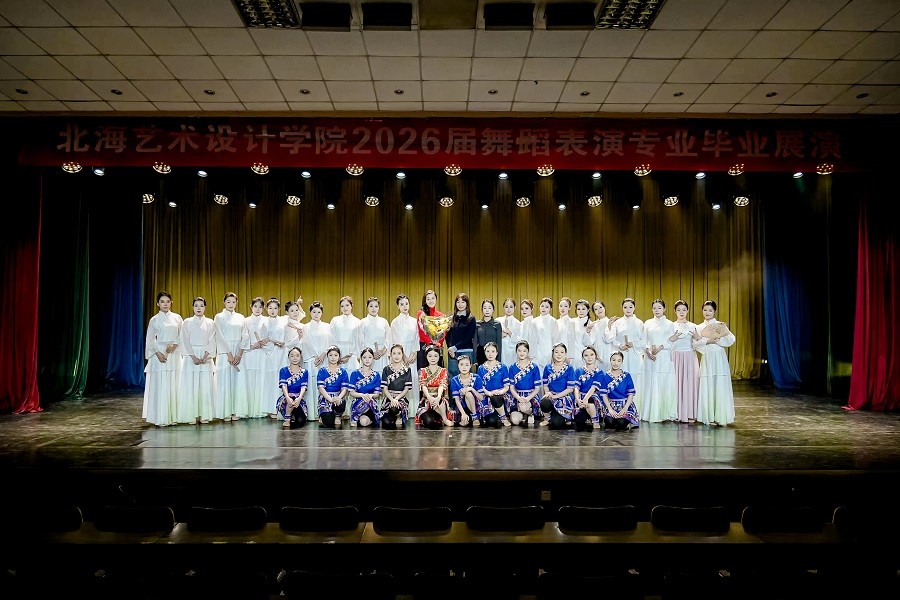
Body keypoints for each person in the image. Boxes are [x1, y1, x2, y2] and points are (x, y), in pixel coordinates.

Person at [143, 291, 183, 427]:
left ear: (171, 303)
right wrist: (158, 353)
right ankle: (161, 417)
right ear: (158, 304)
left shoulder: (177, 318)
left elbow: (182, 335)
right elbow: (150, 339)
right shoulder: (154, 320)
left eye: (167, 301)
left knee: (174, 383)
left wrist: (175, 345)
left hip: (174, 354)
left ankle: (175, 416)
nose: (165, 304)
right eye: (162, 302)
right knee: (161, 384)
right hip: (160, 355)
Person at [693, 300, 736, 426]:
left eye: (710, 310)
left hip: (719, 357)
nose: (707, 312)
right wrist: (707, 341)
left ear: (714, 311)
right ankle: (709, 417)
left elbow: (731, 339)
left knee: (719, 384)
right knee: (708, 384)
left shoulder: (720, 325)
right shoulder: (699, 327)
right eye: (705, 310)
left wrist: (718, 340)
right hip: (707, 357)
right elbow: (695, 344)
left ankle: (721, 417)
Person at [176, 296, 216, 425]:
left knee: (205, 386)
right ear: (193, 307)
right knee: (190, 385)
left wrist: (205, 356)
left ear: (205, 307)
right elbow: (184, 340)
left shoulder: (210, 322)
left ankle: (205, 415)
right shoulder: (187, 322)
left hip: (205, 356)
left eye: (201, 305)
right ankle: (190, 415)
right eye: (196, 305)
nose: (199, 308)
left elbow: (212, 340)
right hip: (190, 356)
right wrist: (193, 357)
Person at [603, 297, 645, 415]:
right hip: (621, 355)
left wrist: (634, 344)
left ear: (634, 308)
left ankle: (634, 410)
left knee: (634, 380)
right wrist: (619, 345)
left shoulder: (639, 323)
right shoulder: (618, 322)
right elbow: (610, 339)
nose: (628, 309)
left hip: (634, 355)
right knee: (620, 381)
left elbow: (643, 341)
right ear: (622, 308)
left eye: (630, 307)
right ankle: (618, 409)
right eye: (625, 307)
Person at [213, 292, 249, 422]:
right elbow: (219, 336)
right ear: (224, 302)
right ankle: (225, 411)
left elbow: (245, 335)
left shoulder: (241, 317)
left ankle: (237, 410)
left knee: (237, 381)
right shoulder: (219, 317)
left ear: (236, 303)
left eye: (233, 302)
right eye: (228, 301)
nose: (231, 304)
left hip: (238, 351)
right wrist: (229, 354)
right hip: (225, 352)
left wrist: (239, 354)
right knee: (224, 380)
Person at [641, 299, 678, 423]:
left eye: (659, 308)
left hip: (663, 356)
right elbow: (644, 340)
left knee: (663, 383)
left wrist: (661, 347)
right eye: (654, 308)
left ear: (664, 309)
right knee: (650, 384)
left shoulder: (670, 324)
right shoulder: (647, 323)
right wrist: (648, 351)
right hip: (650, 357)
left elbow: (673, 342)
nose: (656, 310)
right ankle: (650, 413)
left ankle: (664, 413)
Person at [300, 301, 335, 415]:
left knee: (324, 385)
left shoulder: (327, 326)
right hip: (311, 360)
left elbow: (331, 342)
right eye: (314, 312)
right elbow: (305, 343)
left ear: (322, 313)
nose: (316, 314)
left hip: (324, 359)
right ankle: (311, 413)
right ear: (310, 313)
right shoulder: (305, 327)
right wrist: (315, 356)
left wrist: (323, 354)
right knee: (311, 385)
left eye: (319, 312)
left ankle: (324, 412)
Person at [670, 300, 702, 423]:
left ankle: (690, 413)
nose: (681, 312)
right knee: (676, 384)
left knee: (690, 384)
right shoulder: (671, 326)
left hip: (689, 357)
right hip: (675, 357)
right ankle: (676, 412)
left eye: (684, 310)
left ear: (687, 311)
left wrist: (698, 338)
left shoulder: (693, 326)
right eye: (678, 310)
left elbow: (698, 343)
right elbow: (668, 342)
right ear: (675, 311)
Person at [261, 297, 292, 420]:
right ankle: (271, 408)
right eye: (270, 308)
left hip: (282, 353)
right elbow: (262, 341)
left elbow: (289, 335)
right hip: (270, 354)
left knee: (282, 380)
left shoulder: (284, 320)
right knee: (271, 380)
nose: (272, 310)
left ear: (279, 309)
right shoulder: (264, 323)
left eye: (275, 308)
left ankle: (283, 408)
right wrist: (273, 343)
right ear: (266, 309)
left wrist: (283, 343)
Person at [596, 351, 640, 431]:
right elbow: (604, 395)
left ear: (622, 362)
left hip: (625, 405)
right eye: (613, 360)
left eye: (619, 361)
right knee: (609, 422)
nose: (616, 363)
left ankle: (628, 422)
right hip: (610, 405)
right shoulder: (605, 375)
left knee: (621, 423)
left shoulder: (626, 376)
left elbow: (630, 394)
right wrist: (610, 409)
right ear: (610, 360)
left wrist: (625, 408)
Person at [390, 294, 420, 400]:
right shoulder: (395, 322)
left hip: (412, 353)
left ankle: (414, 407)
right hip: (400, 354)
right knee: (402, 378)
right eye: (402, 304)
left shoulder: (414, 321)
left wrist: (415, 353)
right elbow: (396, 340)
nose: (405, 306)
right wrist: (403, 356)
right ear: (398, 306)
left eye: (406, 304)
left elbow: (417, 337)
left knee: (413, 377)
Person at [243, 296, 269, 419]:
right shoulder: (246, 321)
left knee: (262, 380)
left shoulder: (267, 320)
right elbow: (243, 337)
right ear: (251, 307)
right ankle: (249, 410)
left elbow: (270, 336)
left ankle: (261, 410)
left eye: (260, 307)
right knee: (250, 379)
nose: (258, 309)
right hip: (249, 353)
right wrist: (252, 345)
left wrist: (263, 343)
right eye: (255, 306)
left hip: (263, 353)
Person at [540, 343, 576, 430]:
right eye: (556, 352)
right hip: (552, 395)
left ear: (565, 354)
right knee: (544, 402)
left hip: (564, 398)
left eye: (562, 352)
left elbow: (570, 389)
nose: (559, 354)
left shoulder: (569, 368)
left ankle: (562, 416)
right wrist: (548, 393)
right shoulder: (547, 368)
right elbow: (545, 385)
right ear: (553, 354)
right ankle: (547, 418)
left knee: (557, 424)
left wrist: (555, 396)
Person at [507, 341, 543, 427]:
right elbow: (511, 387)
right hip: (517, 396)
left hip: (531, 396)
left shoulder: (534, 367)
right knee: (515, 421)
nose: (521, 353)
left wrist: (527, 399)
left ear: (528, 352)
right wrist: (519, 398)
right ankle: (524, 415)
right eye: (519, 350)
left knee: (523, 407)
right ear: (516, 352)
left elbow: (537, 388)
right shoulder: (512, 367)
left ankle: (530, 413)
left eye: (524, 351)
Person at [417, 344, 453, 429]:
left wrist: (438, 397)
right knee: (429, 422)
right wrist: (429, 397)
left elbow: (442, 385)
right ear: (426, 357)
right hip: (427, 400)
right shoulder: (422, 371)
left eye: (435, 356)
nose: (433, 358)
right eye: (430, 356)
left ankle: (444, 418)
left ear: (439, 356)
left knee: (439, 401)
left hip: (439, 401)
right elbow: (423, 385)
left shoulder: (443, 371)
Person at [476, 341, 511, 428]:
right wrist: (488, 393)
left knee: (495, 398)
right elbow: (480, 387)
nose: (490, 354)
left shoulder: (502, 367)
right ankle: (497, 414)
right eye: (488, 351)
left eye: (493, 351)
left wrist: (499, 392)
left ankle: (503, 417)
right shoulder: (481, 368)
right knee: (491, 421)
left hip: (500, 396)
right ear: (484, 353)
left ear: (497, 353)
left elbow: (507, 386)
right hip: (487, 396)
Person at [348, 347, 383, 428]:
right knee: (362, 421)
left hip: (370, 403)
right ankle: (356, 416)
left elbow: (377, 394)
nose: (367, 359)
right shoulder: (355, 373)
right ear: (361, 358)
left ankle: (371, 418)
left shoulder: (376, 375)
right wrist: (362, 395)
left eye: (370, 357)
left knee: (364, 422)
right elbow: (352, 392)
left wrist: (370, 396)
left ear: (373, 359)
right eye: (364, 357)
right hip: (358, 404)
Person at [316, 345, 349, 428]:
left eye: (335, 355)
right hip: (325, 397)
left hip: (338, 397)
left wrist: (338, 398)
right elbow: (321, 388)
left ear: (339, 357)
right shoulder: (322, 371)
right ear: (327, 356)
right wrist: (330, 399)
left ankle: (338, 416)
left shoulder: (343, 372)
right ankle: (324, 416)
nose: (333, 358)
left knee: (341, 403)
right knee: (328, 422)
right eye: (330, 355)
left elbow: (344, 389)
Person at [356, 297, 391, 375]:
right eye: (371, 306)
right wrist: (371, 354)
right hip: (368, 355)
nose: (373, 308)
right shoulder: (363, 322)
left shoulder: (384, 321)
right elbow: (360, 341)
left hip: (382, 354)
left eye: (376, 306)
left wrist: (383, 351)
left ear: (379, 307)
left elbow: (388, 338)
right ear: (367, 307)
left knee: (382, 376)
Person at [381, 343, 412, 429]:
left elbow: (406, 388)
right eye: (394, 353)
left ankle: (399, 415)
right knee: (386, 423)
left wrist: (396, 399)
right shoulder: (386, 369)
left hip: (401, 398)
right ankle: (392, 416)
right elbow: (384, 388)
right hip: (389, 398)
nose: (396, 356)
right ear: (390, 355)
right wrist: (392, 399)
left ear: (402, 355)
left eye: (399, 353)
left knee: (395, 408)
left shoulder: (407, 370)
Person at [276, 347, 308, 428]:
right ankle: (287, 417)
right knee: (291, 398)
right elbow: (283, 385)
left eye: (297, 356)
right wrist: (287, 397)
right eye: (292, 356)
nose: (295, 358)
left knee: (300, 421)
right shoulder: (283, 370)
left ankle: (293, 415)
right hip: (287, 399)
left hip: (298, 400)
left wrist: (299, 398)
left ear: (300, 357)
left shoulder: (304, 372)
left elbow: (303, 387)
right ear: (289, 357)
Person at [446, 292, 476, 378]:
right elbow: (447, 335)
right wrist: (450, 348)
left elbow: (469, 337)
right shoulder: (451, 317)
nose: (460, 304)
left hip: (466, 351)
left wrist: (455, 347)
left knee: (467, 375)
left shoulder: (471, 318)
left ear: (467, 304)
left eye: (463, 302)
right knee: (453, 375)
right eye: (458, 302)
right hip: (452, 352)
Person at [572, 346, 602, 431]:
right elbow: (576, 387)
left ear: (595, 356)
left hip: (592, 397)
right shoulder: (578, 371)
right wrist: (578, 399)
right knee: (579, 422)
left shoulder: (599, 372)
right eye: (586, 355)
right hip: (580, 397)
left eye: (592, 355)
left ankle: (595, 421)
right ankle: (586, 415)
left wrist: (585, 399)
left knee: (590, 402)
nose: (589, 357)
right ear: (583, 357)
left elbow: (594, 388)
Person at [450, 353, 483, 427]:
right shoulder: (454, 380)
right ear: (458, 366)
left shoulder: (477, 377)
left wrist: (471, 389)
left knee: (468, 393)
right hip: (462, 407)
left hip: (477, 407)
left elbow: (481, 398)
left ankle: (475, 417)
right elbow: (456, 399)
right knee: (463, 423)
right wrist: (463, 413)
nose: (464, 367)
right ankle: (466, 417)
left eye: (467, 365)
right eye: (461, 364)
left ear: (470, 366)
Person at [330, 295, 361, 373]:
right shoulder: (335, 320)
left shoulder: (357, 321)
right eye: (342, 306)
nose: (345, 308)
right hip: (337, 353)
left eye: (347, 305)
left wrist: (350, 355)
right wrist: (335, 355)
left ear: (351, 306)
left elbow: (358, 341)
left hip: (351, 354)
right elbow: (331, 338)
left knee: (351, 375)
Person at [416, 289, 446, 369]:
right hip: (424, 347)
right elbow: (421, 332)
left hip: (437, 347)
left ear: (436, 299)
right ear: (425, 301)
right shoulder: (421, 313)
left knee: (437, 371)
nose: (431, 301)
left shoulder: (441, 316)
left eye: (433, 298)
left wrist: (438, 342)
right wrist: (431, 342)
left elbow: (443, 333)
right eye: (428, 299)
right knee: (424, 372)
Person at [530, 297, 560, 371]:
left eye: (547, 307)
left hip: (548, 350)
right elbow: (532, 339)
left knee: (547, 371)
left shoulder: (553, 321)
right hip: (537, 350)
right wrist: (531, 354)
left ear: (550, 308)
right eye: (542, 306)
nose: (544, 308)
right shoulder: (534, 321)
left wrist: (554, 354)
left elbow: (555, 339)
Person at [474, 299, 503, 368]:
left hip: (493, 354)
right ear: (482, 310)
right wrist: (474, 358)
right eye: (485, 308)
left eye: (489, 308)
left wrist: (498, 359)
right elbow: (475, 342)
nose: (487, 310)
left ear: (493, 310)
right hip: (480, 354)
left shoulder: (497, 324)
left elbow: (499, 343)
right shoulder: (477, 324)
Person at [566, 299, 594, 370]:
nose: (581, 311)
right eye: (578, 309)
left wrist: (588, 332)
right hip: (571, 355)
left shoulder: (591, 324)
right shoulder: (572, 321)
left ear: (588, 310)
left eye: (583, 309)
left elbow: (590, 343)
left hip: (584, 355)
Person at [587, 300, 613, 369]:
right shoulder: (593, 324)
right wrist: (588, 331)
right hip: (597, 353)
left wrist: (609, 326)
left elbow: (610, 339)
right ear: (594, 312)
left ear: (604, 308)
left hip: (608, 351)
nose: (599, 310)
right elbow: (591, 341)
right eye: (596, 309)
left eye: (600, 307)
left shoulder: (611, 322)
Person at [497, 297, 521, 367]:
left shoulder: (517, 323)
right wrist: (502, 335)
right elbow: (493, 337)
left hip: (512, 351)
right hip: (501, 349)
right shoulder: (498, 321)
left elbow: (519, 340)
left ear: (515, 308)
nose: (508, 309)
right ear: (503, 307)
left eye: (511, 307)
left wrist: (509, 332)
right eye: (506, 307)